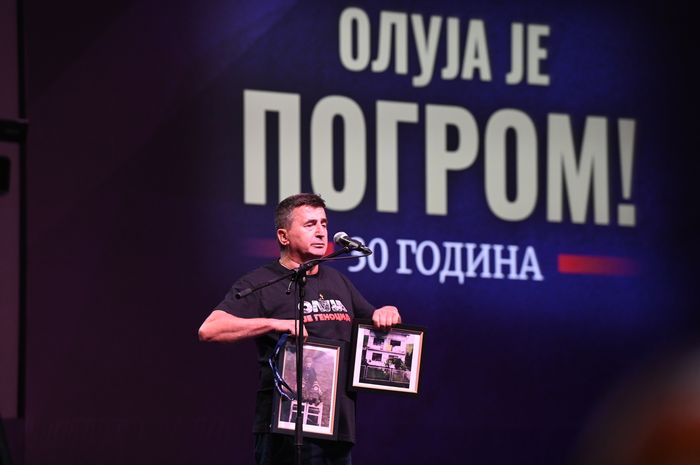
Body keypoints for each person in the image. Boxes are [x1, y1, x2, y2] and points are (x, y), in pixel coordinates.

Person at [199, 193, 401, 465]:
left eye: (324, 224)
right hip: (283, 427)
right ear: (283, 236)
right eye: (310, 225)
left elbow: (374, 323)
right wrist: (275, 323)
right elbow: (211, 329)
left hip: (336, 429)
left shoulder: (338, 282)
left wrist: (386, 311)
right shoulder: (262, 282)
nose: (321, 232)